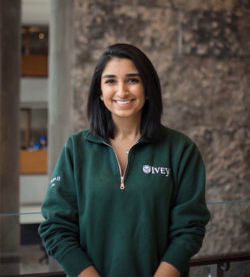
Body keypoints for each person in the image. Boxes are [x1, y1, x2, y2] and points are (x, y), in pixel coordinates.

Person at [39, 43, 210, 277]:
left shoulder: (180, 149)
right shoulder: (76, 149)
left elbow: (190, 228)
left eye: (132, 80)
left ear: (148, 88)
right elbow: (56, 227)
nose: (122, 91)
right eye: (110, 81)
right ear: (99, 92)